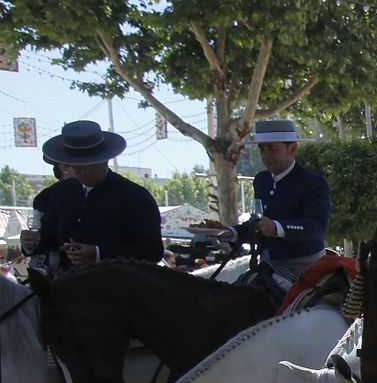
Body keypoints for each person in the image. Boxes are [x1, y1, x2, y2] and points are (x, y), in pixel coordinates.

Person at [192, 118, 332, 282]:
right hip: (266, 265)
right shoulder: (261, 180)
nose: (265, 155)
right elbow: (257, 223)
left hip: (304, 268)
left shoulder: (312, 182)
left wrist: (276, 227)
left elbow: (316, 225)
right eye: (262, 149)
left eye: (272, 148)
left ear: (292, 148)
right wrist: (230, 233)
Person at [18, 121, 161, 275]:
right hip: (69, 284)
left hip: (117, 287)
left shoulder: (134, 196)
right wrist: (32, 243)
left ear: (103, 161)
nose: (77, 171)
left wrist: (99, 253)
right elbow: (51, 238)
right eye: (71, 165)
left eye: (84, 166)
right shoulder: (60, 192)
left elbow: (152, 251)